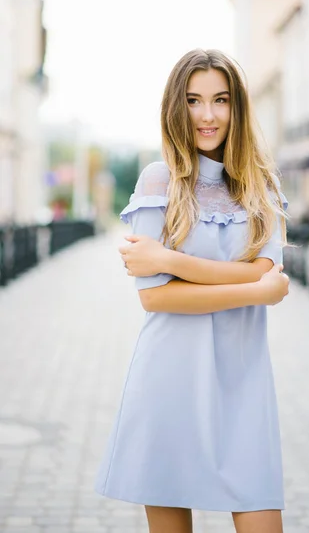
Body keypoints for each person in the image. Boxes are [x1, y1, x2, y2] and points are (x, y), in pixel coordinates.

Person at [94, 49, 290, 533]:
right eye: (194, 100)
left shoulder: (261, 185)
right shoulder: (159, 180)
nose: (207, 115)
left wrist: (170, 262)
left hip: (244, 382)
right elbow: (157, 298)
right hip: (171, 379)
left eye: (220, 100)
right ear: (175, 108)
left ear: (237, 107)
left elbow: (270, 274)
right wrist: (254, 289)